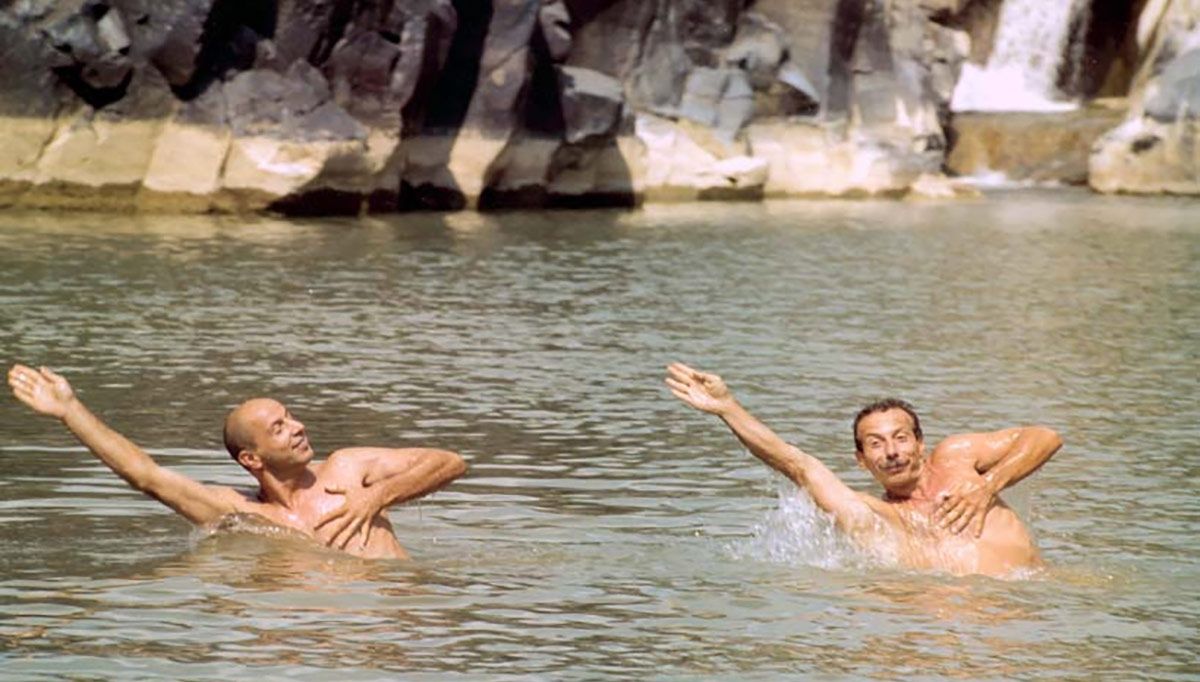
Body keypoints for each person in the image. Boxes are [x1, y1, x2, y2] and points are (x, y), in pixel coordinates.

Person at [7, 363, 466, 559]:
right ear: (251, 457)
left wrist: (377, 497)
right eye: (279, 428)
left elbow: (449, 462)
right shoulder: (238, 512)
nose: (298, 427)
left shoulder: (349, 469)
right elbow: (146, 476)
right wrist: (70, 410)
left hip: (396, 614)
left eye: (290, 417)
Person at [665, 362, 1062, 577]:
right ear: (861, 460)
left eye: (900, 438)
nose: (891, 452)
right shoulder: (880, 518)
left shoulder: (957, 459)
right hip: (960, 629)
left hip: (1038, 599)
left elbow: (1045, 437)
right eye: (875, 444)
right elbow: (797, 464)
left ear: (920, 443)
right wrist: (728, 408)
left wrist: (988, 485)